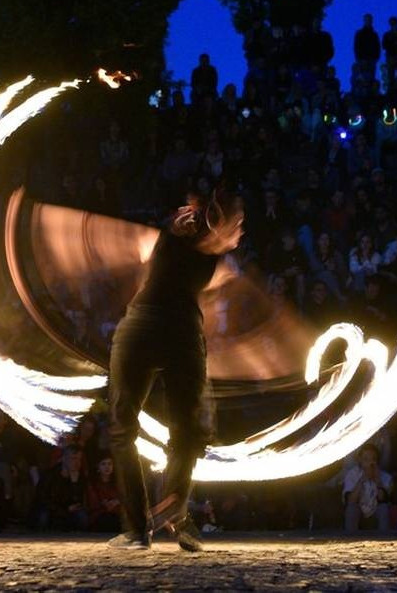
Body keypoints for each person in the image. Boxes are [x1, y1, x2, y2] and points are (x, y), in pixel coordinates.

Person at [107, 188, 243, 551]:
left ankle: (138, 530)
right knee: (187, 431)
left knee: (125, 427)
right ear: (221, 223)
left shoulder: (185, 242)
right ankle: (175, 511)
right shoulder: (208, 253)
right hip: (180, 334)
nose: (240, 233)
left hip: (142, 329)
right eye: (238, 225)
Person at [343, 444, 392, 532]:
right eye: (366, 459)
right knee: (351, 508)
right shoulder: (352, 474)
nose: (370, 463)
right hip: (359, 508)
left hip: (375, 509)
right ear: (360, 460)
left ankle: (383, 539)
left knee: (384, 508)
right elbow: (350, 500)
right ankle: (350, 538)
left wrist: (377, 481)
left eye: (373, 459)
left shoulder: (385, 476)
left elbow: (383, 499)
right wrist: (362, 480)